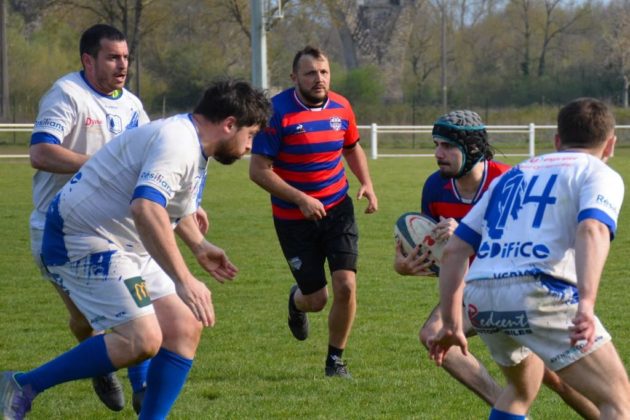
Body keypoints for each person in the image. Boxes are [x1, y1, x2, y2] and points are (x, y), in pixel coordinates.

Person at [0, 79, 271, 420]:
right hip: (82, 238)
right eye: (250, 135)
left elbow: (171, 208)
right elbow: (146, 208)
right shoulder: (178, 142)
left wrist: (199, 245)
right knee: (142, 339)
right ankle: (22, 384)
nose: (249, 146)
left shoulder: (192, 143)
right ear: (229, 124)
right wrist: (184, 279)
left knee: (185, 325)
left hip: (123, 240)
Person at [428, 98, 630, 419]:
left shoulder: (513, 175)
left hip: (483, 296)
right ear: (610, 145)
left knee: (519, 392)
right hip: (540, 290)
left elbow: (455, 250)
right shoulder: (598, 172)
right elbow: (592, 229)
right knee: (618, 401)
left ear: (557, 140)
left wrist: (453, 323)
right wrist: (587, 305)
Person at [27, 23, 162, 413]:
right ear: (88, 60)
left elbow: (151, 157)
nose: (122, 65)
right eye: (112, 57)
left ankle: (141, 384)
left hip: (115, 228)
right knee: (86, 321)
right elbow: (40, 153)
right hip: (61, 231)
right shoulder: (67, 94)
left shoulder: (132, 105)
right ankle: (100, 363)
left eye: (126, 57)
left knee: (136, 308)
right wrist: (101, 165)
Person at [249, 45, 378, 378]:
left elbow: (352, 147)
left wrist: (366, 183)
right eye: (310, 73)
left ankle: (335, 361)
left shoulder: (341, 106)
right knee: (316, 299)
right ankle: (297, 302)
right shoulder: (276, 112)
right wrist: (300, 199)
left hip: (337, 209)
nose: (319, 78)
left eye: (324, 72)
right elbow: (258, 170)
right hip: (294, 220)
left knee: (346, 285)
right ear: (294, 77)